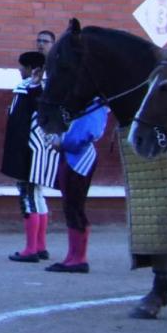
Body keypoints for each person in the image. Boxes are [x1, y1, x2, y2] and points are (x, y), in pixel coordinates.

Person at [1, 50, 56, 263]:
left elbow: (26, 115)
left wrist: (34, 83)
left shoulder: (30, 88)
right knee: (37, 195)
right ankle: (40, 246)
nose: (19, 70)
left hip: (29, 149)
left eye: (22, 66)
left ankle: (31, 249)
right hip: (41, 148)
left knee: (28, 195)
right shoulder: (47, 88)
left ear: (30, 69)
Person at [46, 103, 108, 273]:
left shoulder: (94, 105)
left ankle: (79, 258)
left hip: (79, 158)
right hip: (72, 156)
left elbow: (89, 133)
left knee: (74, 206)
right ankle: (72, 256)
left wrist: (62, 141)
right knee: (70, 206)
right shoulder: (89, 104)